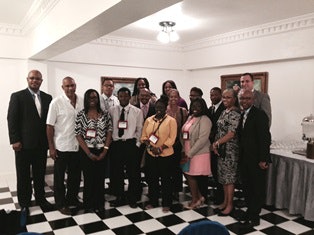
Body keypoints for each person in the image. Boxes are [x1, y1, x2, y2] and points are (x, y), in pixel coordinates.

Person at [7, 70, 53, 215]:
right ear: (27, 79)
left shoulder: (47, 97)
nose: (35, 81)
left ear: (41, 81)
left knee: (40, 174)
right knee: (23, 175)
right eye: (32, 78)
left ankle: (41, 199)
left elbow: (49, 121)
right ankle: (25, 203)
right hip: (23, 145)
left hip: (41, 145)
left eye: (38, 79)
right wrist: (15, 140)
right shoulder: (17, 96)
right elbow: (11, 119)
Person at [46, 77, 83, 215]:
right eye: (67, 86)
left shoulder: (81, 100)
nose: (70, 88)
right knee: (60, 177)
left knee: (75, 176)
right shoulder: (56, 103)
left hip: (78, 146)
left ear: (75, 85)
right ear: (62, 87)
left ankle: (72, 198)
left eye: (72, 85)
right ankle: (60, 203)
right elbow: (49, 126)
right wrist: (51, 147)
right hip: (61, 146)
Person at [75, 89, 112, 213]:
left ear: (98, 99)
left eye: (95, 97)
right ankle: (88, 203)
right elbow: (78, 135)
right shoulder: (81, 114)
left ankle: (99, 203)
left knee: (100, 178)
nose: (93, 100)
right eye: (90, 98)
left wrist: (104, 151)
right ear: (86, 99)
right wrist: (89, 153)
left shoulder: (105, 114)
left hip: (102, 150)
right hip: (87, 151)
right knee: (89, 178)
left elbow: (109, 132)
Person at [238, 90, 271, 227]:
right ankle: (250, 211)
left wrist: (263, 159)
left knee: (257, 188)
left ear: (253, 100)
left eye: (247, 98)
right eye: (242, 98)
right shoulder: (242, 114)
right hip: (244, 159)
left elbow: (265, 139)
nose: (244, 101)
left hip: (257, 159)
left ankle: (254, 216)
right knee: (247, 187)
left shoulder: (259, 115)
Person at [141, 95, 177, 212]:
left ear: (166, 107)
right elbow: (143, 136)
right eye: (157, 107)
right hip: (151, 154)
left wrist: (160, 148)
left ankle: (166, 203)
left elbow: (172, 139)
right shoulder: (149, 120)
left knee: (166, 180)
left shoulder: (171, 121)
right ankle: (153, 201)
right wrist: (151, 147)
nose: (159, 109)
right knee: (152, 179)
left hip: (166, 155)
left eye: (161, 107)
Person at [109, 87, 143, 208]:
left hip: (130, 144)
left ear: (130, 97)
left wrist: (137, 144)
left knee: (133, 172)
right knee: (117, 172)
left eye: (125, 96)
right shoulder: (112, 110)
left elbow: (140, 129)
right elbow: (110, 128)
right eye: (121, 96)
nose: (123, 98)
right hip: (117, 144)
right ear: (118, 97)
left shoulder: (137, 111)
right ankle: (120, 196)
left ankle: (132, 197)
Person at [212, 89, 241, 216]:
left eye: (228, 97)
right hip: (221, 150)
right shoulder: (224, 111)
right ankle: (224, 202)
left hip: (230, 150)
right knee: (223, 177)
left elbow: (231, 134)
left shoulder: (235, 113)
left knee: (229, 179)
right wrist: (216, 144)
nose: (225, 100)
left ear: (234, 99)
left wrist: (217, 143)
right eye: (223, 97)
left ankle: (230, 205)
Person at [181, 98, 212, 209]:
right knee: (187, 173)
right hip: (187, 150)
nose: (195, 108)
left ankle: (195, 200)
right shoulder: (190, 117)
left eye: (198, 106)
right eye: (193, 106)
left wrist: (190, 154)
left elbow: (202, 139)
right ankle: (199, 197)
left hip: (198, 153)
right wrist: (184, 150)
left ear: (203, 107)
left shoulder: (205, 119)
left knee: (191, 175)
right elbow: (184, 133)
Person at [166, 89, 188, 199]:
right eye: (171, 97)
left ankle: (176, 191)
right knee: (167, 168)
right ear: (168, 98)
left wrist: (182, 143)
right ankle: (167, 190)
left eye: (175, 97)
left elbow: (185, 128)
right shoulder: (165, 110)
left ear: (179, 98)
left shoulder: (183, 111)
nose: (173, 99)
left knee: (177, 168)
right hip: (166, 144)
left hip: (178, 143)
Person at [207, 87, 225, 204]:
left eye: (215, 95)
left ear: (220, 96)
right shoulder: (210, 109)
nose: (212, 97)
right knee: (214, 170)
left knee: (221, 172)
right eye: (211, 95)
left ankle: (222, 197)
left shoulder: (224, 109)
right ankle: (218, 194)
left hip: (221, 144)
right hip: (211, 144)